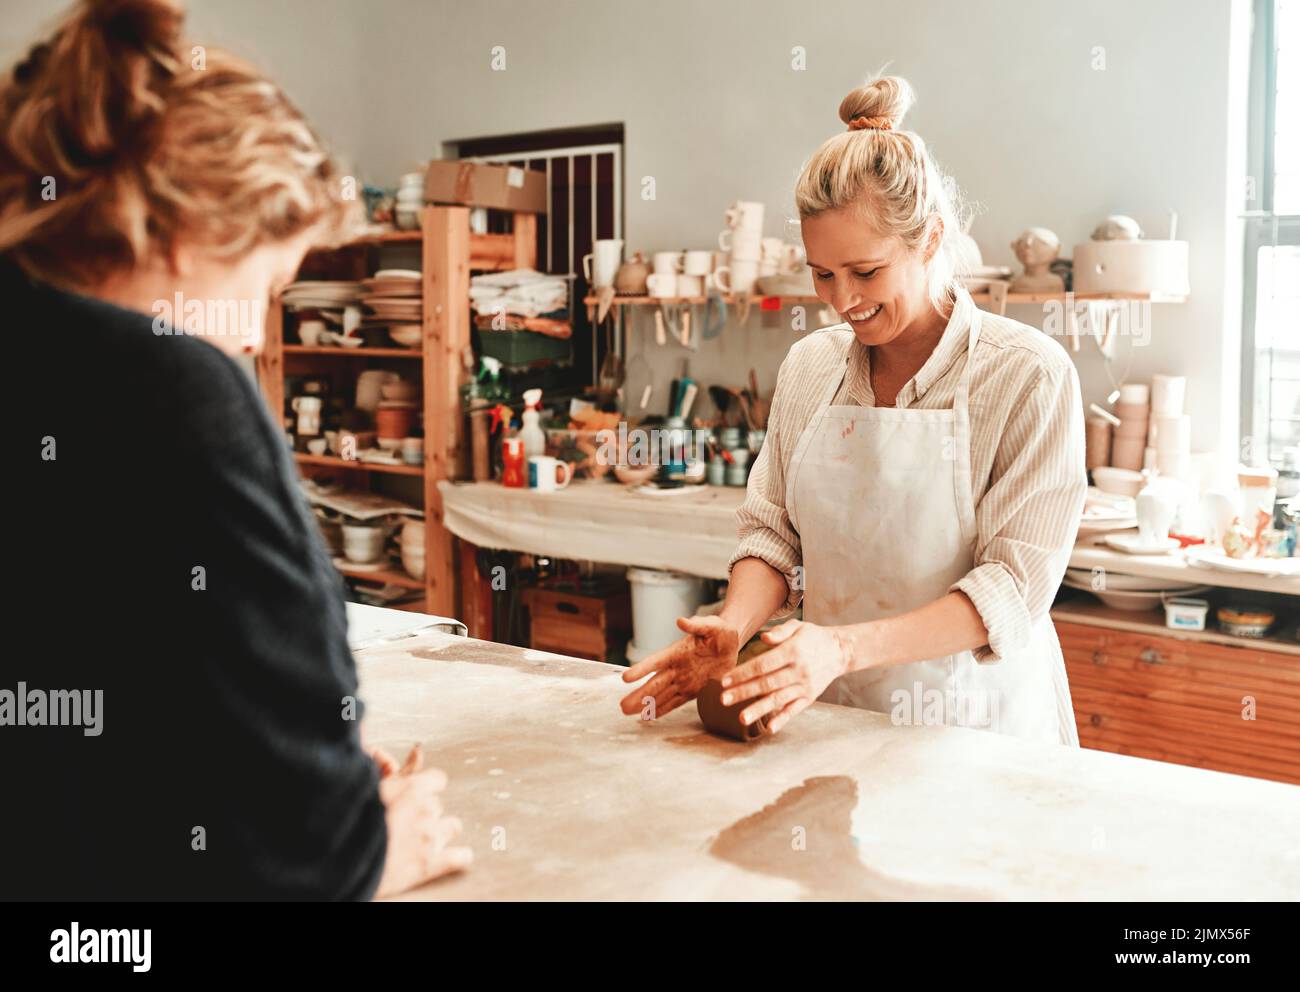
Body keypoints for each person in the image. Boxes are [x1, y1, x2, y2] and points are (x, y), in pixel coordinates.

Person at [3, 0, 469, 898]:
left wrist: (249, 764)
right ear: (185, 233)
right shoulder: (172, 385)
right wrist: (361, 845)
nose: (257, 337)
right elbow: (302, 851)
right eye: (270, 286)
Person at [622, 75, 1086, 746]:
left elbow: (1012, 588)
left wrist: (839, 648)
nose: (841, 301)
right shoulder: (812, 367)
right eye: (822, 273)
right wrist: (736, 621)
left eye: (865, 273)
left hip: (976, 731)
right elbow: (773, 536)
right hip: (836, 719)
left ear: (928, 240)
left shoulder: (1027, 376)